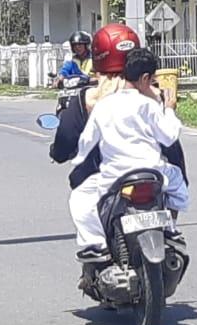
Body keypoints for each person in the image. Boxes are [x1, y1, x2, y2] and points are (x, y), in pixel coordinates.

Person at [68, 47, 189, 259]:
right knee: (178, 183)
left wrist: (78, 161)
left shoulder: (104, 106)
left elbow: (87, 140)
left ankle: (96, 245)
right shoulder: (149, 105)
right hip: (154, 173)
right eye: (151, 81)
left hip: (114, 177)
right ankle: (170, 229)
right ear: (145, 78)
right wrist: (169, 108)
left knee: (79, 198)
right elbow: (169, 137)